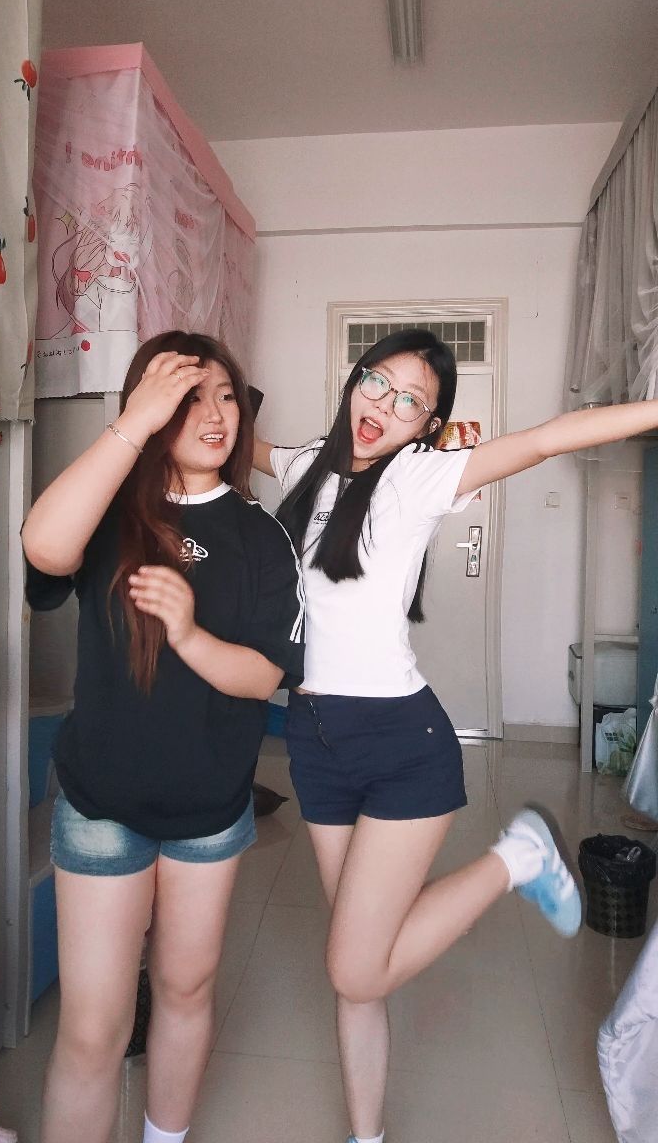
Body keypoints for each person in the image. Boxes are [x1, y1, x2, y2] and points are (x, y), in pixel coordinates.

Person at [254, 328, 658, 1143]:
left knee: (353, 966)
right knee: (358, 971)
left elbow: (546, 439)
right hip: (315, 737)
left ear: (428, 426)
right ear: (355, 379)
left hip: (400, 741)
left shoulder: (418, 476)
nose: (385, 405)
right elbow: (234, 443)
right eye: (378, 382)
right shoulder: (303, 466)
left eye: (413, 401)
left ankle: (518, 858)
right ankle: (367, 1135)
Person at [22, 331, 304, 1143]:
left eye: (226, 395)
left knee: (185, 992)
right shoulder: (109, 508)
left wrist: (186, 633)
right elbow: (43, 547)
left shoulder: (262, 535)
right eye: (186, 397)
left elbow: (263, 675)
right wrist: (133, 426)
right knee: (93, 1029)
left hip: (209, 815)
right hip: (101, 808)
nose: (215, 413)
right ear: (147, 408)